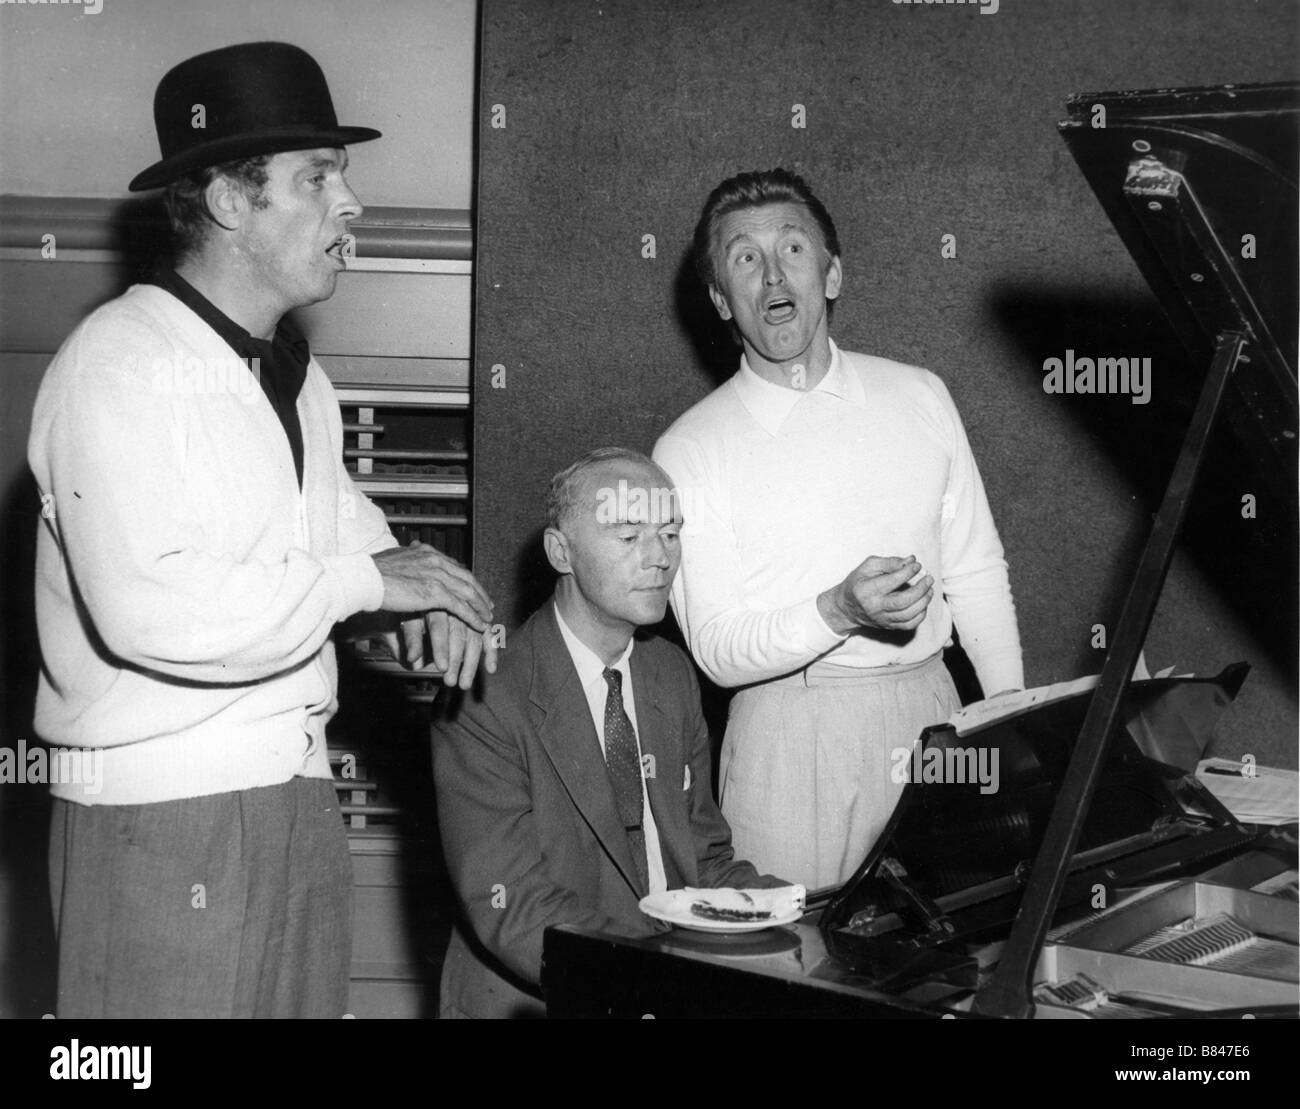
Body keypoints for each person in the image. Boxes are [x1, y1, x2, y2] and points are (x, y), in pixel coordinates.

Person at [27, 41, 496, 1018]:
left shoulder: (292, 372)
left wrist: (411, 601)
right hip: (162, 824)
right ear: (231, 203)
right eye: (318, 179)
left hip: (290, 798)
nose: (351, 205)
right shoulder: (115, 363)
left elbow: (334, 530)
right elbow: (154, 607)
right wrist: (368, 586)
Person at [653, 168, 1023, 890]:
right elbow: (720, 651)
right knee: (796, 979)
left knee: (954, 955)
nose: (770, 274)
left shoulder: (919, 394)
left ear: (832, 274)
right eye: (743, 259)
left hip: (936, 713)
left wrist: (1008, 720)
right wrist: (839, 611)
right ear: (720, 300)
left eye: (792, 248)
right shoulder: (690, 448)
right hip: (790, 735)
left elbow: (976, 569)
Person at [434, 448, 786, 1018]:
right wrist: (649, 984)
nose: (659, 559)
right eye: (628, 537)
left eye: (670, 533)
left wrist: (798, 914)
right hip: (545, 994)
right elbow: (513, 905)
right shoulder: (485, 691)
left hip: (656, 978)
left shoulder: (670, 673)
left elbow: (704, 858)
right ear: (560, 552)